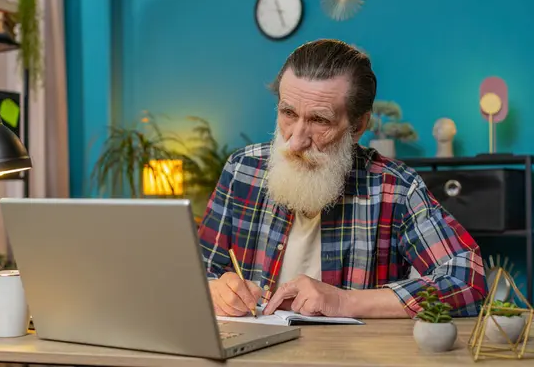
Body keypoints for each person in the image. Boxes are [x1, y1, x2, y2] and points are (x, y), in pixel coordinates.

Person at [198, 39, 486, 319]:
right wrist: (213, 289)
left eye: (320, 120)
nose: (296, 142)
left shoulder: (395, 188)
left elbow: (468, 281)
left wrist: (344, 300)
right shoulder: (242, 169)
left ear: (358, 126)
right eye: (288, 113)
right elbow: (194, 272)